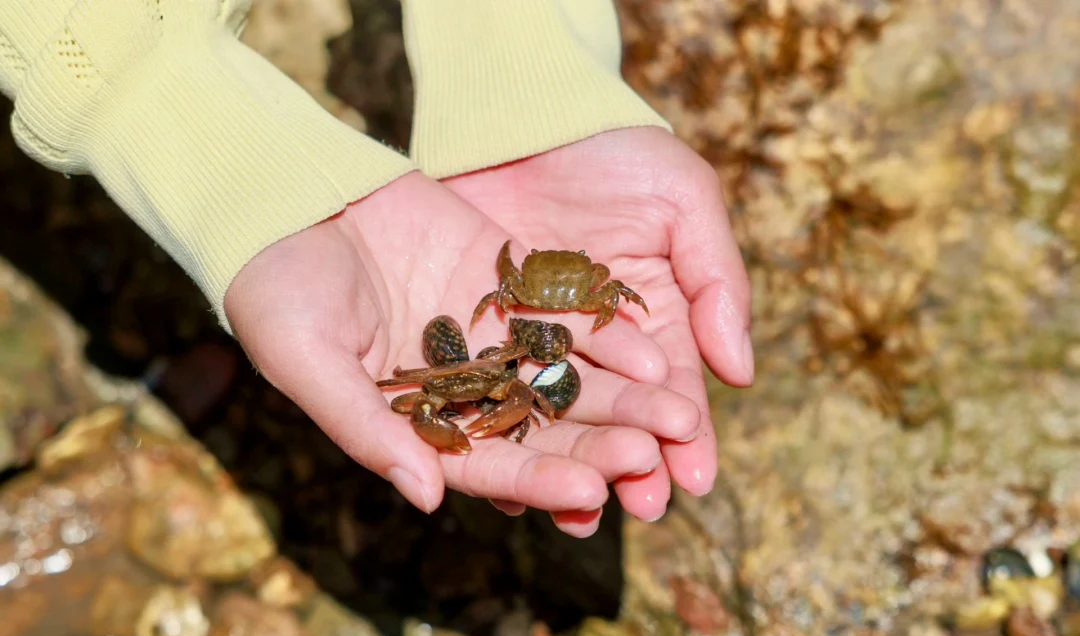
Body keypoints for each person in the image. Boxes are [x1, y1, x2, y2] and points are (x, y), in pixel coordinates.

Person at [0, 1, 751, 538]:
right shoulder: (491, 326)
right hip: (485, 351)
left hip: (506, 348)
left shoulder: (545, 322)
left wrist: (525, 81)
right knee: (438, 388)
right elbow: (432, 371)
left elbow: (526, 329)